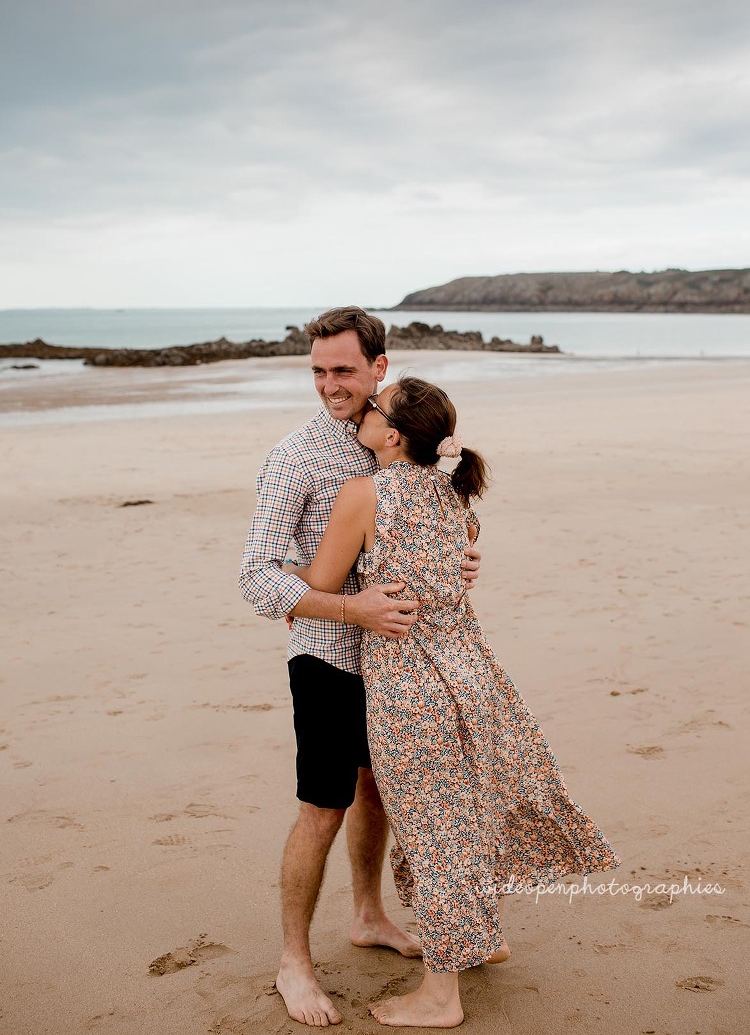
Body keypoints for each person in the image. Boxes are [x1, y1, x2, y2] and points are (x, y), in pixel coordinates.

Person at [287, 376, 620, 1028]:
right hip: (471, 670)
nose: (364, 409)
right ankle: (481, 936)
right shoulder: (454, 490)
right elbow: (460, 551)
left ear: (393, 434)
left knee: (433, 829)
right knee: (463, 813)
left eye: (376, 407)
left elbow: (323, 584)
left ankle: (440, 996)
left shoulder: (365, 494)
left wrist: (280, 568)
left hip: (411, 686)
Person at [239, 308, 482, 1028]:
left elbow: (443, 520)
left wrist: (467, 557)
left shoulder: (400, 439)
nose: (329, 386)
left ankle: (370, 916)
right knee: (324, 808)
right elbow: (256, 577)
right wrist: (354, 612)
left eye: (343, 371)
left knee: (380, 793)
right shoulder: (295, 459)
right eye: (317, 371)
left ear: (379, 368)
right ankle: (294, 962)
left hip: (404, 667)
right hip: (330, 662)